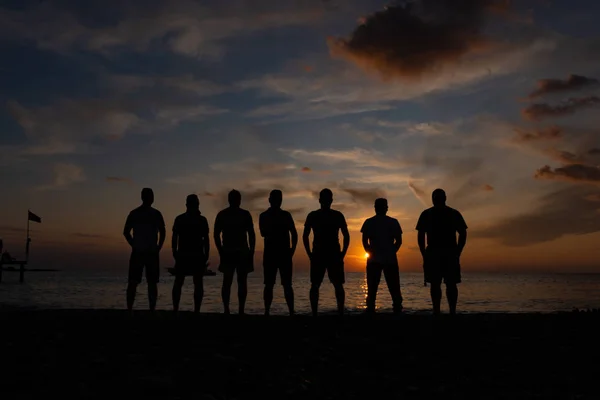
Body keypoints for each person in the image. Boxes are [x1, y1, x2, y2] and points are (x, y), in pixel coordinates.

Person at [416, 189, 467, 316]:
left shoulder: (453, 213)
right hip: (437, 253)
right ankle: (439, 311)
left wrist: (458, 251)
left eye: (438, 197)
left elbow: (463, 233)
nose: (437, 200)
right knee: (438, 284)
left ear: (444, 198)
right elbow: (420, 236)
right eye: (435, 197)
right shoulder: (427, 214)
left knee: (448, 284)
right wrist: (424, 254)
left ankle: (449, 311)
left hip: (447, 253)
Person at [303, 188, 350, 316]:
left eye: (327, 199)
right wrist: (310, 254)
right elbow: (305, 236)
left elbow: (346, 236)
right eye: (325, 199)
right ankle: (317, 313)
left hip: (330, 254)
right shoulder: (314, 215)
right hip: (323, 254)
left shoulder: (336, 215)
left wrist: (342, 253)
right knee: (318, 285)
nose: (326, 202)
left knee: (335, 285)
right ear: (321, 200)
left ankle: (334, 312)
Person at [123, 188, 166, 313]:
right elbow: (126, 232)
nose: (151, 198)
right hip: (145, 251)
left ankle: (133, 309)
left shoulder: (137, 213)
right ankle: (146, 309)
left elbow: (162, 231)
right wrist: (134, 245)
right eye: (150, 196)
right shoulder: (149, 213)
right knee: (141, 282)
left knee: (142, 282)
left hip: (147, 251)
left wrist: (158, 246)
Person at [214, 190, 255, 315]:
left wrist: (251, 251)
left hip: (235, 252)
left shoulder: (225, 214)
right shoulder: (240, 214)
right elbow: (251, 235)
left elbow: (251, 235)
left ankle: (235, 309)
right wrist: (251, 251)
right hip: (234, 252)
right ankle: (234, 310)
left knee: (232, 282)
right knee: (233, 282)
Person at [360, 198, 403, 314]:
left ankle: (371, 312)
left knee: (375, 289)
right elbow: (398, 241)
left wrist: (370, 252)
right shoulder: (393, 222)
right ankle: (396, 312)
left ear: (375, 208)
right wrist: (391, 251)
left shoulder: (370, 222)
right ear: (386, 208)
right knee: (392, 289)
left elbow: (364, 241)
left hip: (379, 260)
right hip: (384, 260)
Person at [259, 190, 298, 316]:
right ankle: (268, 311)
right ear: (270, 200)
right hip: (274, 254)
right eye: (276, 199)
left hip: (282, 254)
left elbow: (294, 233)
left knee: (284, 284)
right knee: (271, 284)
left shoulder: (283, 215)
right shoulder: (265, 216)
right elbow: (263, 233)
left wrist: (292, 250)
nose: (277, 202)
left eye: (279, 199)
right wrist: (291, 249)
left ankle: (289, 311)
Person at [171, 194, 210, 314]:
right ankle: (193, 310)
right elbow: (206, 239)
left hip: (188, 255)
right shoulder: (198, 220)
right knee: (192, 283)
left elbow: (174, 238)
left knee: (183, 282)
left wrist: (175, 252)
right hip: (190, 255)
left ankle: (178, 309)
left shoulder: (182, 219)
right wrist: (206, 254)